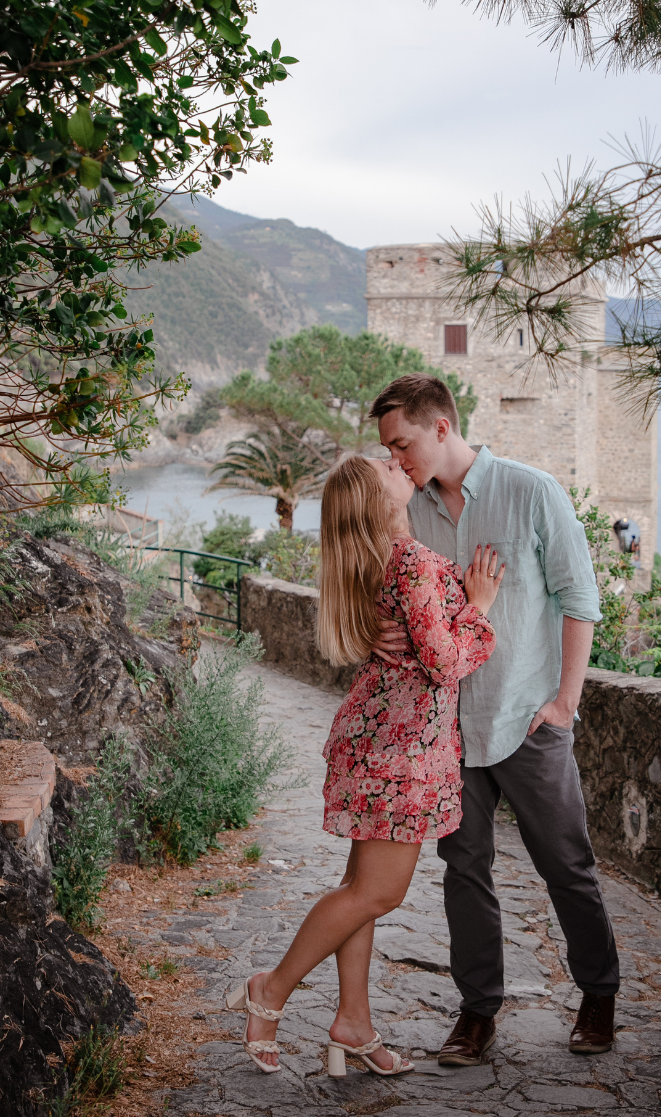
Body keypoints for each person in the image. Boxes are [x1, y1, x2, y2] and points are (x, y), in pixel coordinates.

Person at [224, 452, 504, 1076]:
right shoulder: (411, 562)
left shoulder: (377, 563)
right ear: (379, 503)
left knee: (360, 893)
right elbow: (445, 663)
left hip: (375, 742)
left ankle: (353, 1023)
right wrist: (480, 606)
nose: (396, 464)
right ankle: (268, 990)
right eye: (384, 468)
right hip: (398, 755)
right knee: (378, 893)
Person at [369, 373, 620, 1063]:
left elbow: (579, 598)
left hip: (527, 717)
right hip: (446, 727)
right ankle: (476, 1012)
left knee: (566, 865)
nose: (395, 460)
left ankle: (598, 996)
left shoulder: (530, 490)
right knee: (463, 870)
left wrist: (564, 701)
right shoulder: (405, 510)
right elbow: (389, 599)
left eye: (402, 443)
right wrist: (374, 629)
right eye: (387, 450)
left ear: (442, 426)